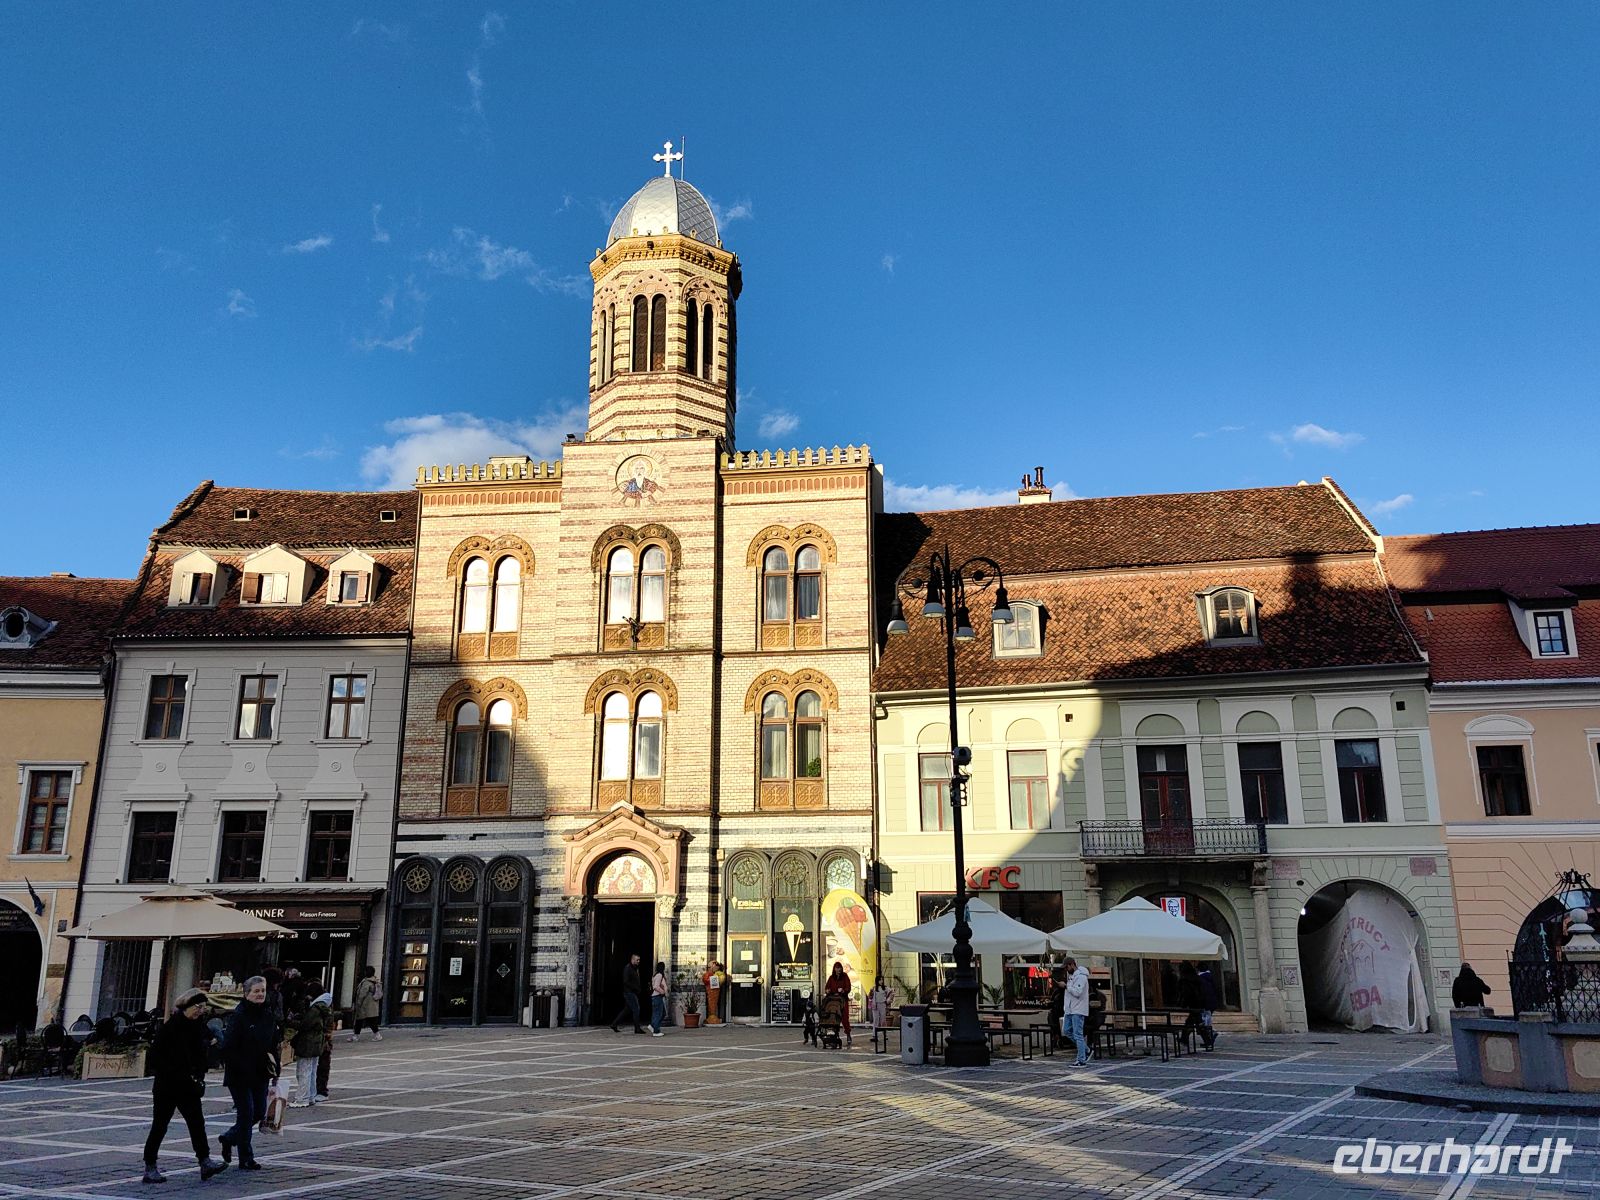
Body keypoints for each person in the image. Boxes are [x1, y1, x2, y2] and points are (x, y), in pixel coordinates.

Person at [141, 988, 228, 1184]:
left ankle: (205, 1162)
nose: (200, 1010)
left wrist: (200, 1072)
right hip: (168, 1086)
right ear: (186, 1006)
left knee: (197, 1124)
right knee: (160, 1125)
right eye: (197, 1006)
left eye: (203, 1007)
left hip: (189, 1085)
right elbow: (155, 1058)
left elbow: (201, 1050)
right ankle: (150, 1165)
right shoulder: (171, 1027)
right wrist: (174, 1071)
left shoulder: (198, 1026)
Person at [218, 976, 276, 1171]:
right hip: (240, 1074)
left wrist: (275, 1065)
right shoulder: (239, 1016)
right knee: (246, 1114)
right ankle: (246, 1157)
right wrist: (240, 1064)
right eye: (256, 991)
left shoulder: (268, 1014)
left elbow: (272, 1043)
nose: (260, 994)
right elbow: (227, 1047)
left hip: (260, 1072)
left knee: (259, 1111)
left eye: (262, 991)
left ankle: (229, 1137)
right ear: (246, 994)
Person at [288, 989, 331, 1106]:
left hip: (308, 1043)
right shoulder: (323, 1007)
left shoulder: (315, 1009)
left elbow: (305, 1025)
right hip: (316, 1042)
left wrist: (290, 1022)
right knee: (311, 1070)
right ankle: (311, 1095)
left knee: (304, 1071)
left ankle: (302, 1098)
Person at [1063, 957, 1090, 1066]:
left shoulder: (1081, 977)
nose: (1066, 969)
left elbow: (1077, 992)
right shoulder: (1071, 977)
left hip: (1078, 1009)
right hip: (1070, 1009)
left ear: (1072, 965)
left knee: (1078, 1034)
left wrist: (1066, 987)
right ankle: (1086, 1049)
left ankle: (1081, 1059)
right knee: (1066, 1031)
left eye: (1067, 967)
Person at [610, 953, 645, 1034]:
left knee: (627, 1010)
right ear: (632, 960)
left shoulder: (635, 968)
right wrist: (635, 988)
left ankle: (614, 1024)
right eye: (637, 960)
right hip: (629, 993)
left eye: (639, 960)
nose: (638, 961)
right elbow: (625, 981)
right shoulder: (628, 968)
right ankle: (637, 1028)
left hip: (633, 992)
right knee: (636, 1009)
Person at [824, 961, 853, 1047]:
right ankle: (834, 1035)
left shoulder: (845, 976)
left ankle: (848, 1034)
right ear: (834, 969)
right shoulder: (831, 977)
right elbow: (827, 987)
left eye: (839, 968)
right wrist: (827, 990)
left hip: (842, 1000)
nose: (838, 969)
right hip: (833, 1000)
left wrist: (844, 990)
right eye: (836, 968)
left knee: (844, 1018)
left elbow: (848, 987)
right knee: (833, 1017)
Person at [353, 965, 383, 1041]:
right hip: (373, 1005)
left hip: (365, 1005)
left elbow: (362, 994)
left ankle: (356, 1036)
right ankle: (377, 1035)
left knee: (359, 1021)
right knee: (372, 1021)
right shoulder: (375, 980)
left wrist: (358, 1004)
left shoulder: (366, 982)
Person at [1196, 965, 1220, 1049]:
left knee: (1204, 1022)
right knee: (1206, 1021)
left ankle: (1210, 1037)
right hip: (1211, 1003)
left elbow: (1202, 992)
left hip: (1205, 1004)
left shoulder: (1201, 979)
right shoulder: (1210, 977)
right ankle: (1208, 1040)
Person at [649, 961, 669, 1036]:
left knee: (661, 1013)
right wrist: (662, 992)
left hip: (656, 996)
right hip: (657, 996)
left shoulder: (656, 975)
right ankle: (656, 1031)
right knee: (659, 1013)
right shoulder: (659, 975)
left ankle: (653, 1025)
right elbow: (656, 986)